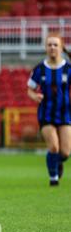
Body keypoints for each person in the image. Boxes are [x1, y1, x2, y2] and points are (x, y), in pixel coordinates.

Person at [27, 32, 71, 186]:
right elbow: (30, 89)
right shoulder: (40, 69)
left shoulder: (68, 68)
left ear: (61, 47)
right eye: (49, 44)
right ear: (46, 47)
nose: (52, 47)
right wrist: (35, 96)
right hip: (46, 113)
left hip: (65, 113)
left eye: (55, 44)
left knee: (65, 152)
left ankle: (56, 162)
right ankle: (54, 178)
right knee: (53, 147)